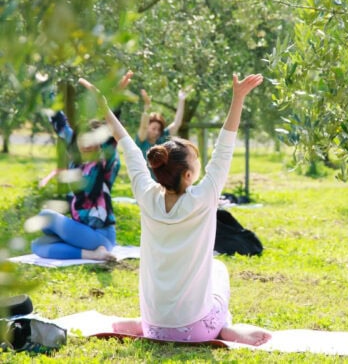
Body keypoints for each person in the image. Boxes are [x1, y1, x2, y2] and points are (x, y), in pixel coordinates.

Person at [79, 73, 272, 346]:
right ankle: (225, 328)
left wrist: (104, 105)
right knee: (218, 269)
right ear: (189, 176)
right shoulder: (204, 197)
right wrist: (238, 97)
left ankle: (140, 323)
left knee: (186, 289)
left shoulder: (146, 195)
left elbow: (128, 145)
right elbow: (225, 145)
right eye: (197, 162)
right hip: (196, 330)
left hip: (153, 328)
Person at [30, 72, 134, 261]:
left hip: (101, 235)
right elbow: (60, 123)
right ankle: (92, 254)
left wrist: (115, 99)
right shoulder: (76, 159)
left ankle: (97, 249)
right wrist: (45, 88)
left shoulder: (104, 162)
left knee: (46, 215)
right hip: (81, 233)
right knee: (37, 245)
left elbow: (111, 132)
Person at [135, 87, 187, 159]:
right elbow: (143, 127)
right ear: (148, 127)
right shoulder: (142, 140)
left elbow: (177, 123)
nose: (157, 132)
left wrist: (181, 100)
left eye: (159, 129)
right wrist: (147, 107)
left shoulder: (162, 138)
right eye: (154, 128)